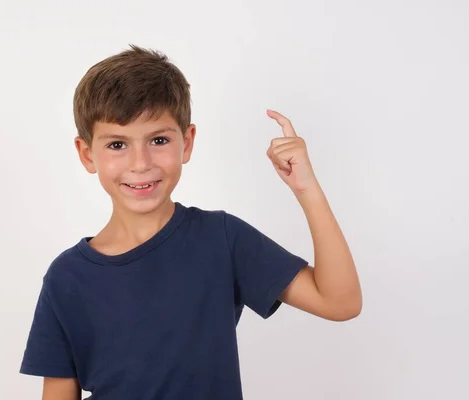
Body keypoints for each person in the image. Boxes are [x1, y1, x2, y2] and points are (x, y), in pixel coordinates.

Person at [19, 44, 362, 400]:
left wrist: (306, 187)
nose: (141, 162)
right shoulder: (67, 277)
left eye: (159, 140)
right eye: (118, 144)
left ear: (187, 142)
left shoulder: (222, 239)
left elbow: (340, 302)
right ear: (87, 154)